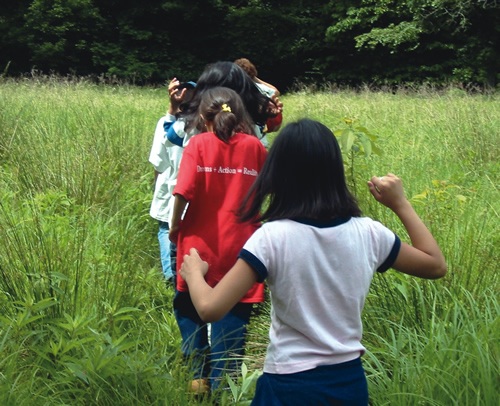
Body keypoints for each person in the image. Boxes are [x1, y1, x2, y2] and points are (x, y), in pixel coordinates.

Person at [179, 118, 447, 405]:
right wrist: (400, 204)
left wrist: (195, 274)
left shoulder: (272, 237)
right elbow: (435, 265)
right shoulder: (369, 233)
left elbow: (210, 309)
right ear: (334, 171)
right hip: (349, 384)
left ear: (276, 174)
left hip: (288, 385)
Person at [169, 87, 268, 394]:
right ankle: (223, 384)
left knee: (187, 303)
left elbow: (182, 193)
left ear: (202, 116)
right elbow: (270, 191)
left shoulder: (197, 144)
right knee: (235, 309)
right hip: (244, 247)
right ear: (239, 115)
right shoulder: (255, 147)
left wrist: (174, 228)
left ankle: (199, 374)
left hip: (199, 244)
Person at [165, 61, 283, 149]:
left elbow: (170, 137)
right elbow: (270, 129)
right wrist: (270, 115)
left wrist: (174, 106)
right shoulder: (250, 126)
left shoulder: (191, 124)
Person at [148, 80, 196, 285]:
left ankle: (171, 275)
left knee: (166, 229)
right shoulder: (202, 126)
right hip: (187, 188)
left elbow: (158, 161)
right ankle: (181, 274)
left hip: (170, 184)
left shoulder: (168, 124)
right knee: (184, 230)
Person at [234, 57, 283, 133]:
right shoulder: (260, 87)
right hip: (261, 133)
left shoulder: (235, 92)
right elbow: (275, 91)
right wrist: (254, 78)